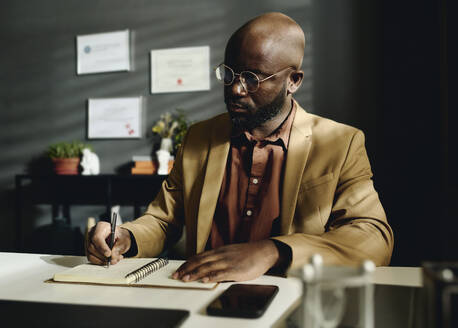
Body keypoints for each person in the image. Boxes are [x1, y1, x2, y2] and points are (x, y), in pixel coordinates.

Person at [87, 12, 393, 283]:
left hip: (289, 299)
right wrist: (127, 236)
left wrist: (274, 251)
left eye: (252, 79)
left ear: (293, 81)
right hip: (198, 294)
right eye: (229, 74)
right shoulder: (199, 138)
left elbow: (373, 236)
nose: (235, 89)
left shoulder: (340, 142)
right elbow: (164, 219)